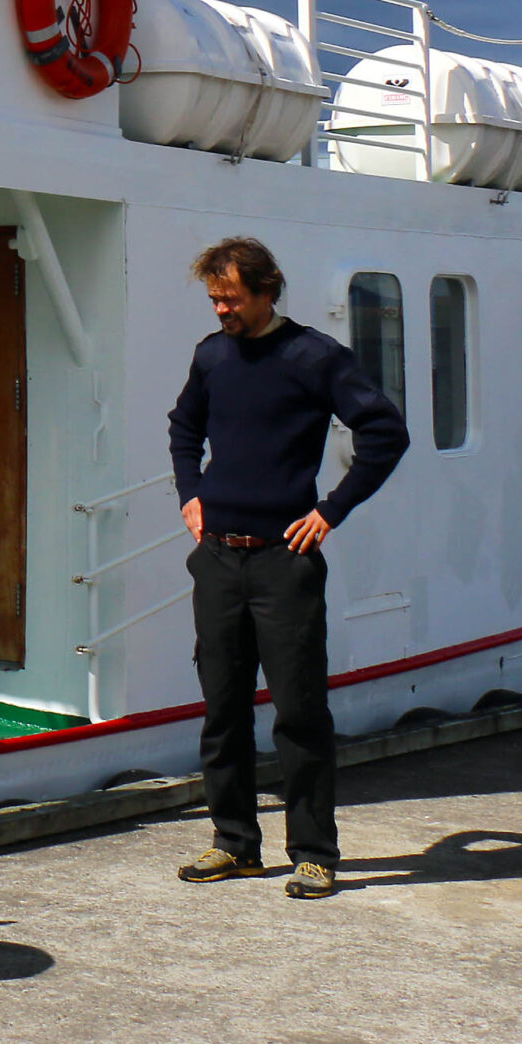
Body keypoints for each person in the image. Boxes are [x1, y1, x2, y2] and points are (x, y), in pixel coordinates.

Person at [168, 236, 409, 900]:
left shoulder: (315, 357)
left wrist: (332, 508)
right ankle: (235, 844)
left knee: (299, 713)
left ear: (268, 289)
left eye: (232, 298)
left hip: (286, 562)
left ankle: (313, 853)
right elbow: (184, 428)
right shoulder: (212, 357)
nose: (222, 310)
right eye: (215, 298)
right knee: (222, 708)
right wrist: (190, 492)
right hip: (217, 559)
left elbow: (386, 433)